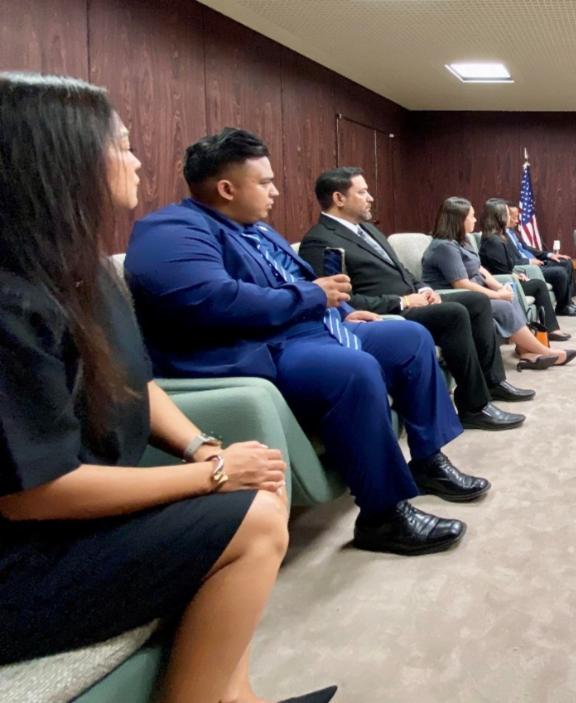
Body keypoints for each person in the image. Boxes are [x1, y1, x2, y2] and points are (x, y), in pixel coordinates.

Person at [0, 73, 335, 703]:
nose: (137, 159)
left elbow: (135, 382)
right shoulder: (11, 303)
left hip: (77, 523)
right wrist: (209, 477)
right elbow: (33, 495)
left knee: (252, 492)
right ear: (59, 160)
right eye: (121, 145)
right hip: (23, 560)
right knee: (256, 521)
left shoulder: (84, 271)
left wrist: (202, 448)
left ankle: (235, 695)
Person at [125, 129, 487, 557]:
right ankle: (383, 515)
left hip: (313, 329)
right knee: (352, 370)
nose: (275, 191)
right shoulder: (170, 230)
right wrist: (316, 297)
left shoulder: (258, 231)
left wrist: (341, 311)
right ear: (226, 188)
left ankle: (426, 461)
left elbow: (298, 284)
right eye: (264, 182)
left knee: (408, 336)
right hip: (262, 346)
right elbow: (214, 301)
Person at [298, 167, 530, 431]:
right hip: (388, 313)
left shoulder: (368, 230)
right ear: (339, 198)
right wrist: (403, 302)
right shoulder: (319, 241)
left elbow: (403, 270)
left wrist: (422, 289)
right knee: (453, 313)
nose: (370, 197)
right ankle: (474, 407)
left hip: (415, 300)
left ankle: (493, 383)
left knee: (476, 302)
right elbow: (340, 302)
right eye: (362, 192)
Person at [422, 196, 576, 370]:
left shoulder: (462, 241)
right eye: (471, 216)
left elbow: (480, 269)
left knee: (510, 298)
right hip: (453, 297)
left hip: (474, 292)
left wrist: (500, 287)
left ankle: (526, 350)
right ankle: (545, 352)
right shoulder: (445, 247)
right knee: (503, 305)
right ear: (459, 219)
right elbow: (462, 285)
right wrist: (497, 295)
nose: (475, 220)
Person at [478, 198, 572, 341]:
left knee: (539, 283)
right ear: (499, 216)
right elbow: (499, 271)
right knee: (538, 285)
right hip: (500, 284)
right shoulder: (493, 241)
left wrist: (516, 274)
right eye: (508, 214)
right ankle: (551, 329)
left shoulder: (499, 237)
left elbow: (504, 267)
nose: (511, 217)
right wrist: (514, 276)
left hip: (508, 278)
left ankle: (550, 328)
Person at [503, 201, 576, 317]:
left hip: (537, 263)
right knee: (560, 272)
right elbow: (509, 260)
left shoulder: (513, 232)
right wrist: (529, 261)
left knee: (567, 262)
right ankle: (563, 307)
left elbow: (527, 249)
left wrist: (550, 255)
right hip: (528, 268)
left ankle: (567, 303)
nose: (517, 220)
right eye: (513, 217)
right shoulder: (501, 236)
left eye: (517, 216)